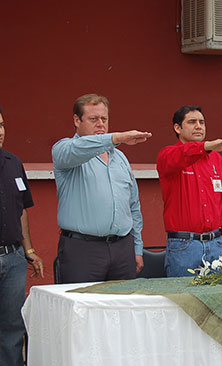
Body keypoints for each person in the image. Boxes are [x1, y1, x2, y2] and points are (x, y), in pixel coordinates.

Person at [52, 94, 151, 283]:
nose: (100, 124)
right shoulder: (64, 149)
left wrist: (137, 248)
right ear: (76, 120)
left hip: (122, 248)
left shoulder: (120, 158)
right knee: (82, 309)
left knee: (122, 308)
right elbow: (77, 150)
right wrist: (115, 138)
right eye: (93, 119)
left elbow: (133, 206)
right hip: (82, 249)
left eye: (104, 119)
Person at [157, 105, 222, 276]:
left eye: (202, 122)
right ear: (177, 128)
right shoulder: (167, 154)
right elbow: (181, 156)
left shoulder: (216, 158)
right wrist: (205, 147)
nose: (199, 126)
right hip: (184, 246)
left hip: (216, 244)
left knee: (217, 300)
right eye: (192, 122)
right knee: (183, 299)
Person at [0, 106, 44, 366]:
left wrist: (28, 250)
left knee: (12, 328)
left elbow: (22, 210)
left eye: (2, 125)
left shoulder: (13, 162)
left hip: (14, 258)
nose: (0, 132)